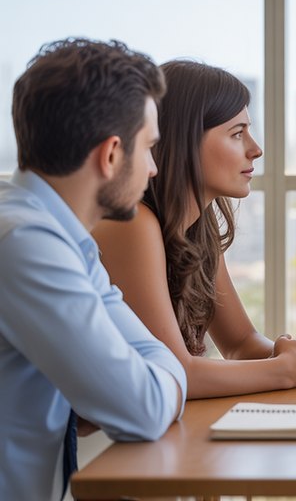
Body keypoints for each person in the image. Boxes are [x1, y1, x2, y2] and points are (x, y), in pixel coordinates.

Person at [0, 39, 186, 500]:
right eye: (149, 148)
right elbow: (142, 408)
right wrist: (158, 377)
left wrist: (153, 376)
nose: (153, 169)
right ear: (111, 155)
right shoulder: (26, 243)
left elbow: (152, 357)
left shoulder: (68, 241)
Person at [92, 60, 296, 400]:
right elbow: (174, 372)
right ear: (184, 141)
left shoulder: (200, 226)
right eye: (237, 133)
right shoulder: (132, 223)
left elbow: (240, 344)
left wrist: (283, 353)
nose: (255, 149)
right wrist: (282, 369)